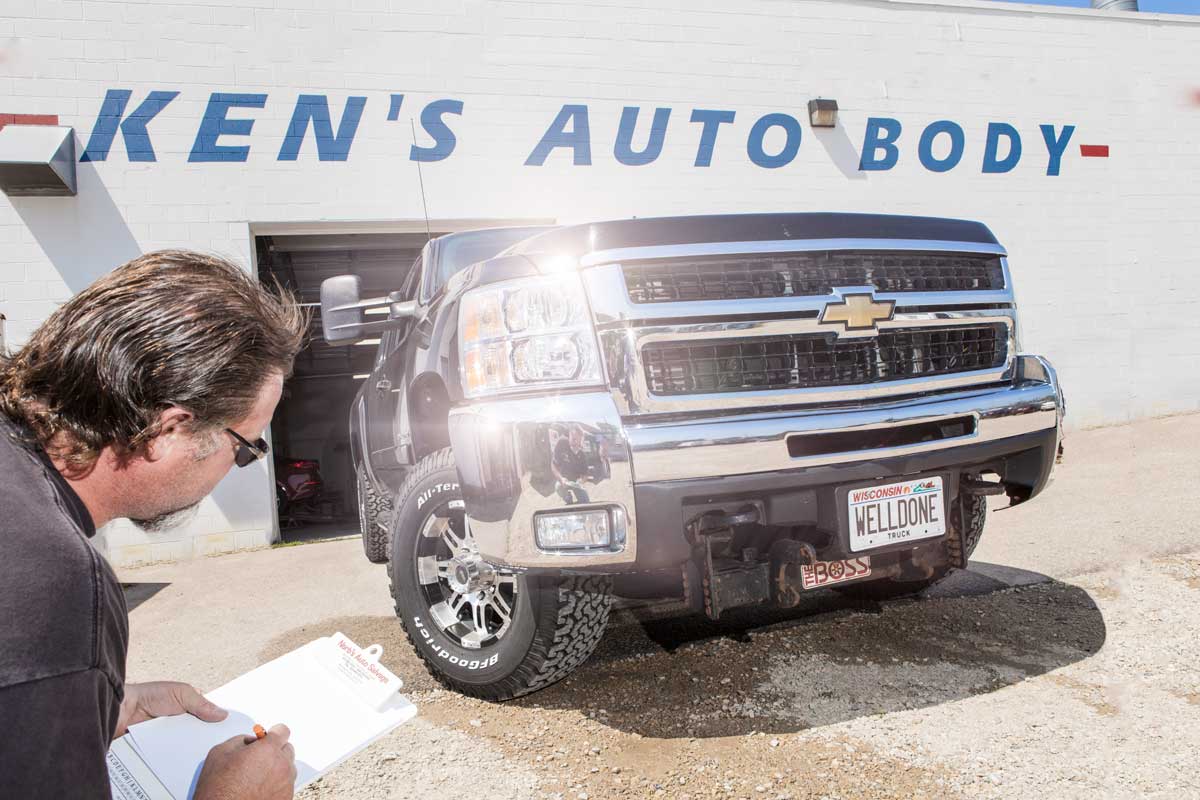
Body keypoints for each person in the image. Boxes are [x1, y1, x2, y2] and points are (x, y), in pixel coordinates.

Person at [0, 251, 308, 799]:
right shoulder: (58, 582)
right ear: (168, 432)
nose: (239, 469)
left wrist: (90, 707)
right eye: (245, 449)